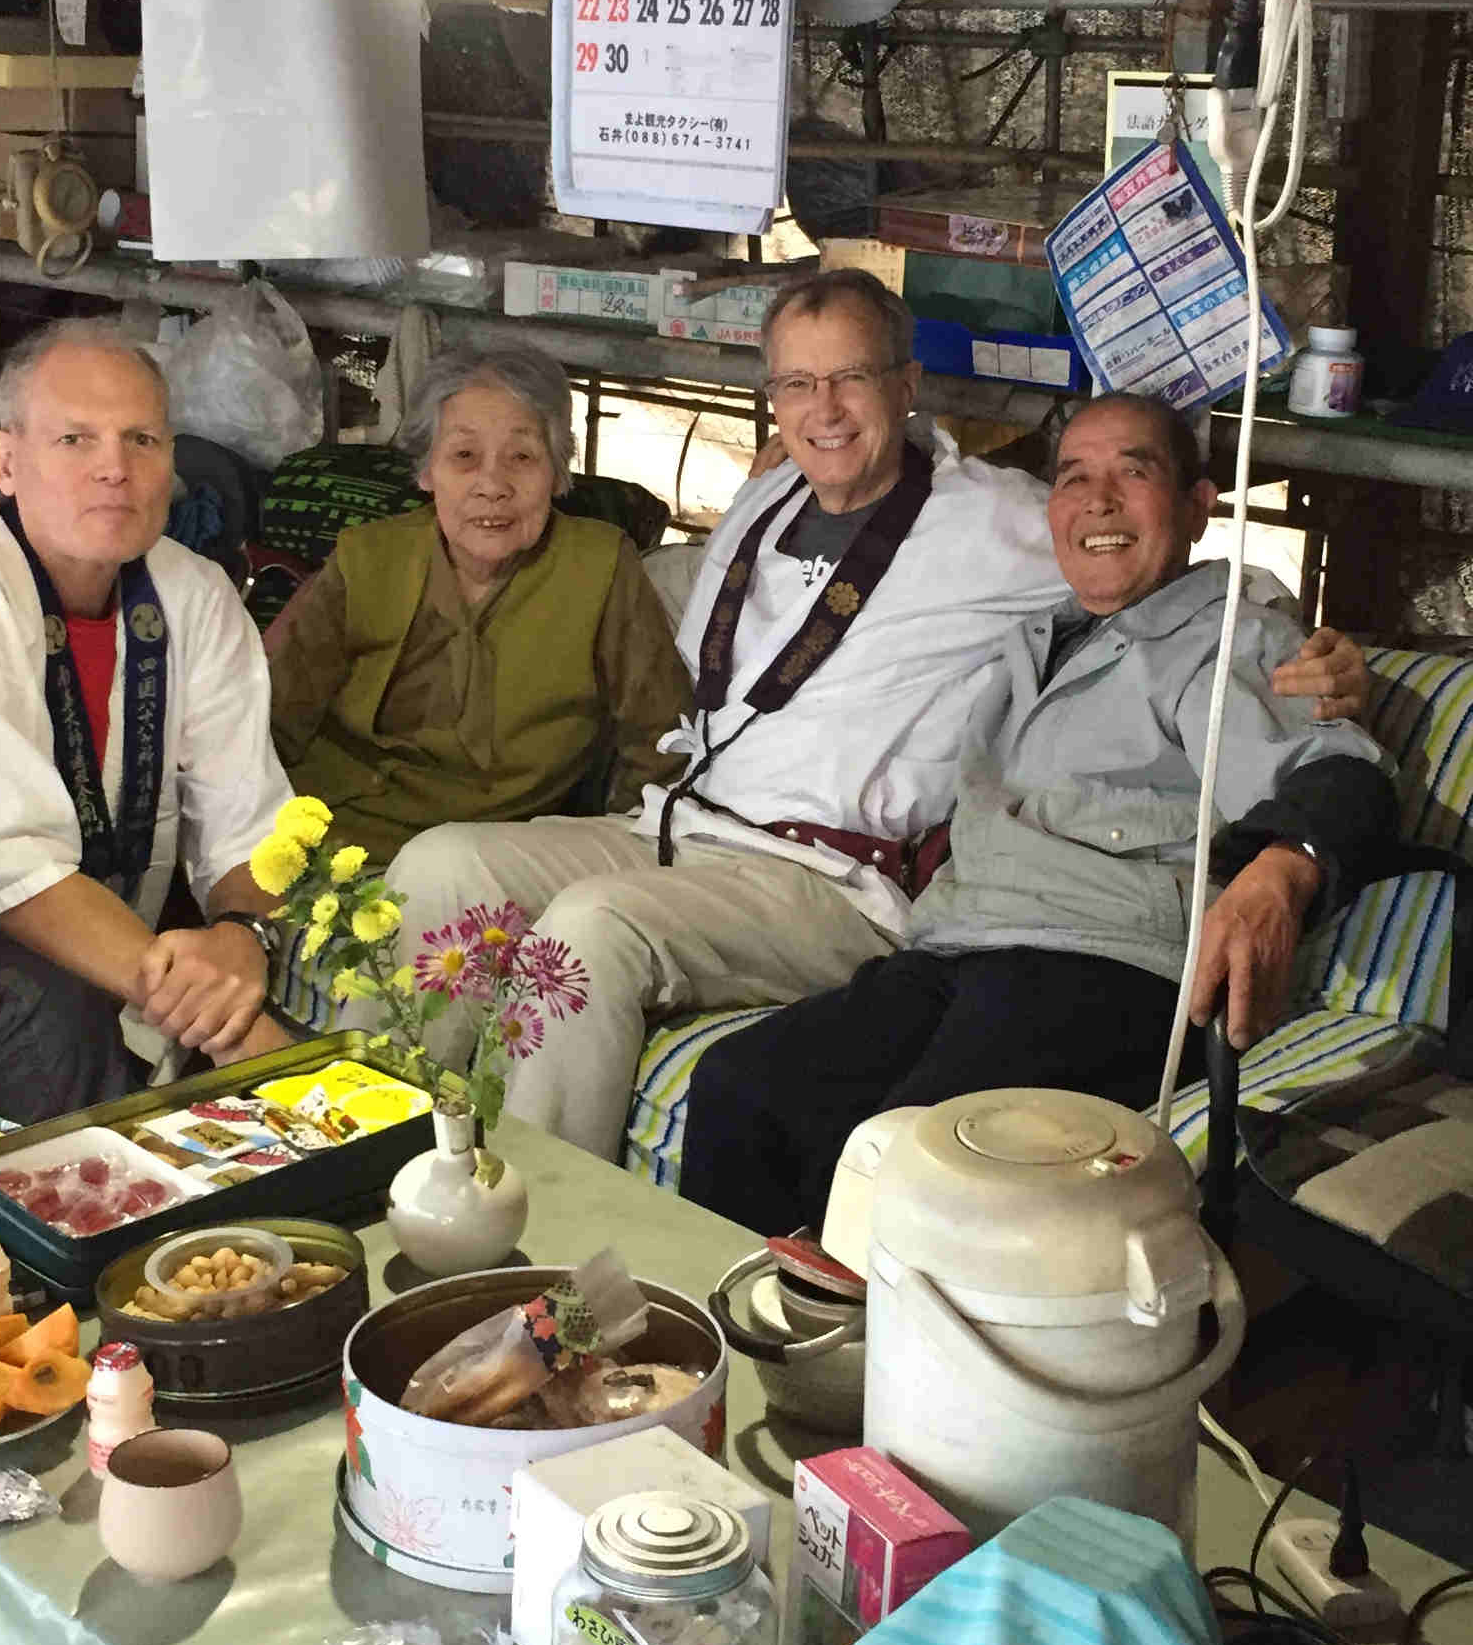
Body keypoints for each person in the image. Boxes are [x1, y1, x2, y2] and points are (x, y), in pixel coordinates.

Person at [381, 270, 1369, 1159]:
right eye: (796, 384)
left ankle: (529, 1241)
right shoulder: (764, 499)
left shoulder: (994, 518)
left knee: (591, 928)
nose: (824, 410)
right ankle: (373, 1159)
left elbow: (1147, 566)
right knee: (439, 866)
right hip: (680, 826)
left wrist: (1312, 647)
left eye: (850, 378)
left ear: (905, 386)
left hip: (827, 877)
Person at [676, 393, 1396, 1231]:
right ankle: (746, 1314)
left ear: (1199, 508)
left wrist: (1281, 873)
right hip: (958, 944)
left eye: (1134, 472)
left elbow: (1339, 772)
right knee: (740, 1087)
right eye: (1074, 477)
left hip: (1103, 964)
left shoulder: (1227, 641)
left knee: (907, 1155)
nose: (1099, 500)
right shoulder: (1033, 635)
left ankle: (863, 1314)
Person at [0, 317, 297, 1121]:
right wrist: (212, 1009)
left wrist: (245, 937)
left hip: (118, 945)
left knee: (307, 966)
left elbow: (249, 827)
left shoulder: (195, 593)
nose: (115, 468)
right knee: (56, 1005)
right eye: (75, 439)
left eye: (142, 439)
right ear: (7, 461)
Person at [264, 345, 691, 864]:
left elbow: (660, 740)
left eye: (522, 457)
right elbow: (271, 719)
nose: (492, 486)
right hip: (324, 835)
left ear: (557, 473)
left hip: (486, 865)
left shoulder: (600, 568)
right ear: (427, 471)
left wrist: (623, 857)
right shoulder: (368, 557)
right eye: (464, 456)